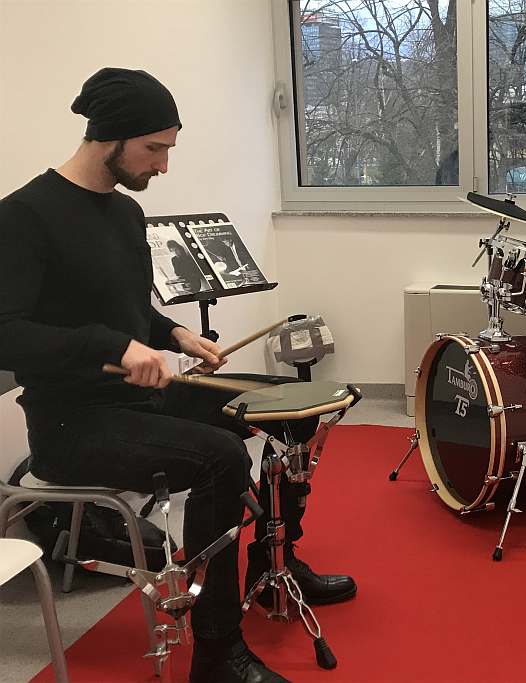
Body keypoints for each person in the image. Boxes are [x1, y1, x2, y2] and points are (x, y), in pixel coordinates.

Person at [0, 67, 354, 683]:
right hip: (71, 422)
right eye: (154, 148)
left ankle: (274, 564)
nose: (163, 165)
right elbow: (8, 332)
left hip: (141, 400)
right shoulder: (24, 216)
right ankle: (217, 652)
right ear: (108, 137)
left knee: (294, 405)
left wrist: (174, 334)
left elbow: (131, 310)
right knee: (221, 458)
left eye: (168, 148)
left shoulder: (124, 213)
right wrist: (111, 346)